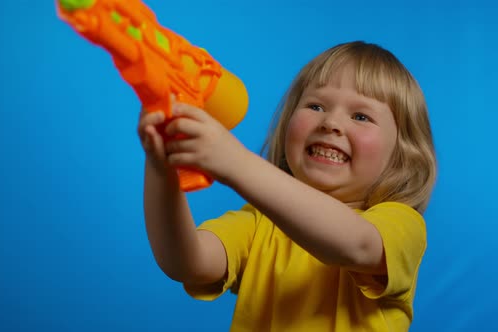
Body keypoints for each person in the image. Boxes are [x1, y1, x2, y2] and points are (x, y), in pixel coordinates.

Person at [137, 41, 436, 331]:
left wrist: (235, 162)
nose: (331, 122)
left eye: (361, 116)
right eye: (316, 106)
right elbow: (187, 263)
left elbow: (355, 245)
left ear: (401, 156)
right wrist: (161, 166)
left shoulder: (401, 224)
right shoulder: (258, 223)